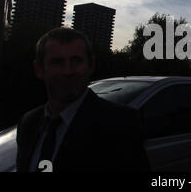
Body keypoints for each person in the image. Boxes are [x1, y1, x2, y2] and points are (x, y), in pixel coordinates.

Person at [16, 27, 150, 172]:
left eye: (76, 61)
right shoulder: (28, 123)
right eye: (57, 62)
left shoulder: (121, 125)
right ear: (39, 69)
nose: (68, 71)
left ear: (91, 65)